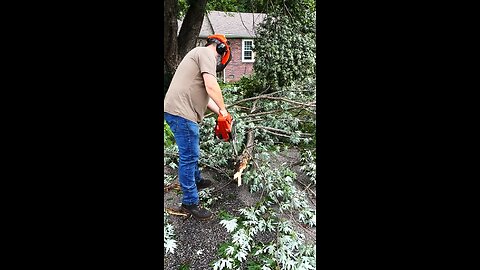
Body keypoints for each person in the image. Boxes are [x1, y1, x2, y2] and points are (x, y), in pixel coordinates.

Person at [164, 34, 233, 220]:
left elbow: (208, 96)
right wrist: (225, 110)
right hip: (181, 112)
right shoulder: (206, 53)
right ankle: (189, 203)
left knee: (190, 151)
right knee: (189, 156)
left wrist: (220, 112)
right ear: (220, 48)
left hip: (179, 110)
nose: (219, 58)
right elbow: (211, 85)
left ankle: (196, 180)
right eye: (221, 54)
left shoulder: (199, 54)